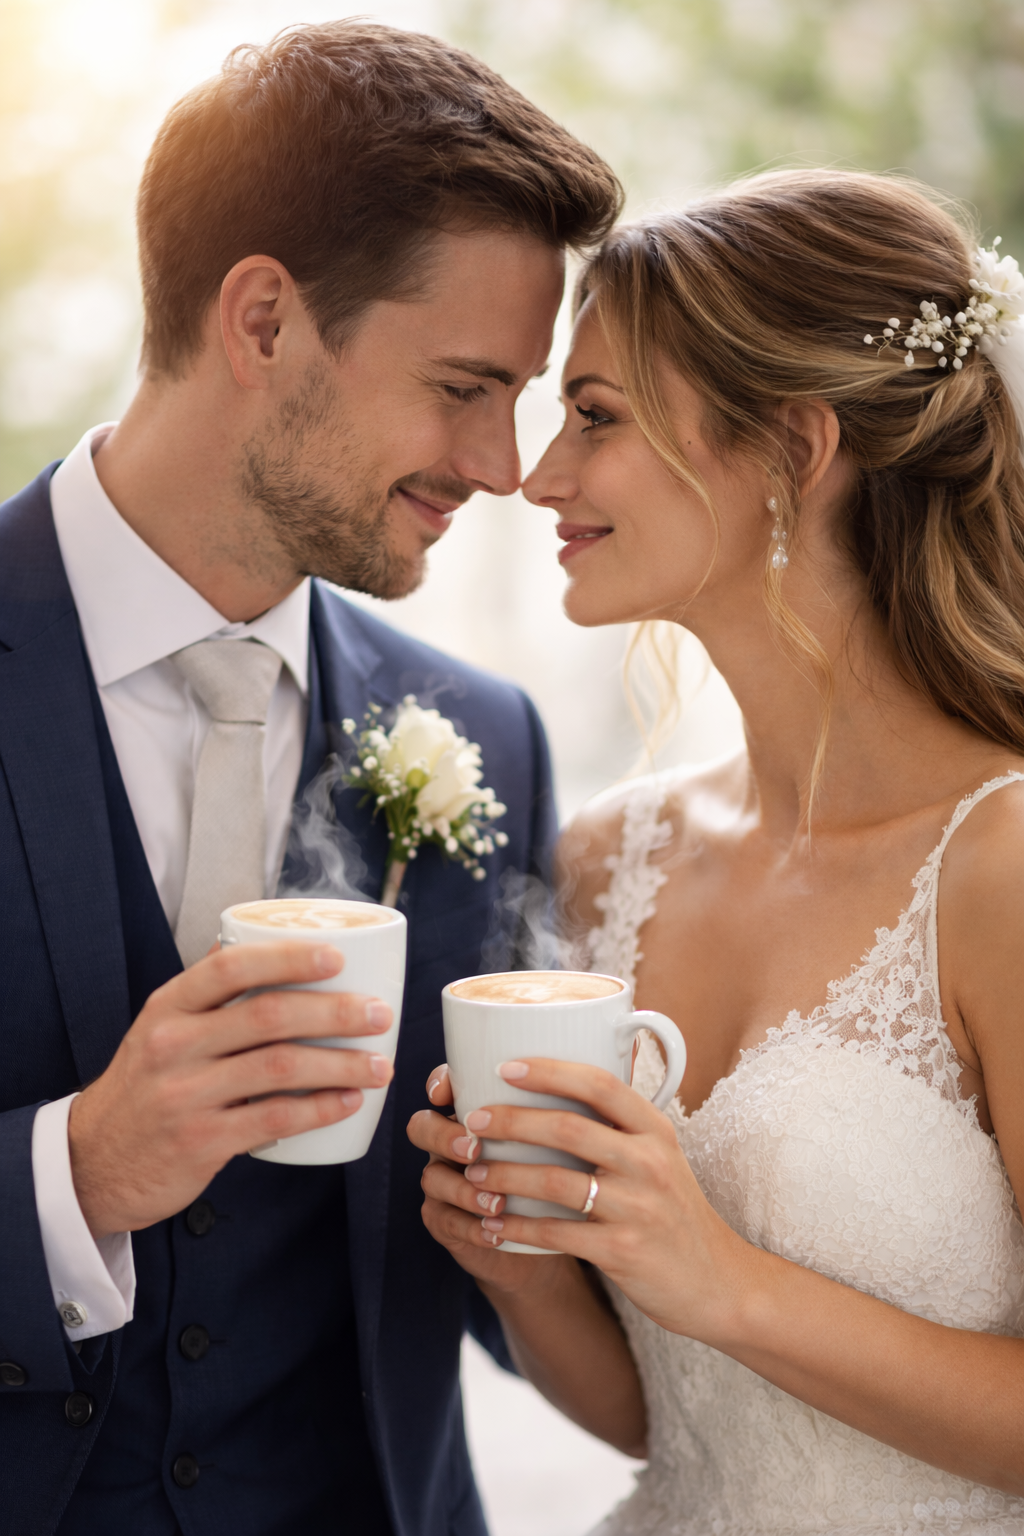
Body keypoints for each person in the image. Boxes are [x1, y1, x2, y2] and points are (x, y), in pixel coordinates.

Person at [0, 21, 622, 1535]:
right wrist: (71, 1175)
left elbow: (512, 1294)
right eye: (466, 385)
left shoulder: (489, 735)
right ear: (265, 320)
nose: (501, 463)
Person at [410, 170, 1024, 1534]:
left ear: (796, 451)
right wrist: (519, 1267)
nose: (533, 472)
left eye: (595, 415)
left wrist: (724, 1279)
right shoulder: (603, 860)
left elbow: (723, 1307)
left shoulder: (1004, 868)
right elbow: (662, 1414)